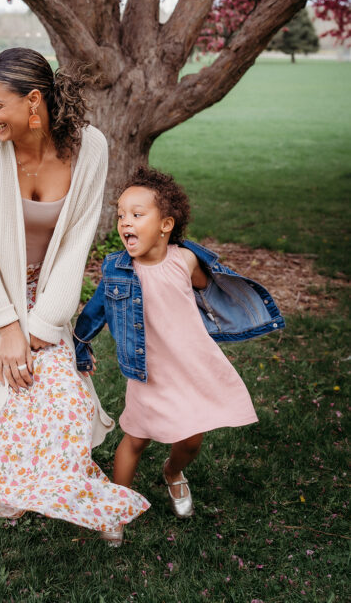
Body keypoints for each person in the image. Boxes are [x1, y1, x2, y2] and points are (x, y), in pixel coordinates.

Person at [0, 48, 150, 544]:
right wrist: (8, 328)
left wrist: (42, 326)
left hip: (49, 295)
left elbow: (78, 242)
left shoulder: (91, 148)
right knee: (4, 399)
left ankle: (81, 494)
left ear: (33, 101)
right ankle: (3, 480)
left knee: (64, 402)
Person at [74, 165, 285, 518]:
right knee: (137, 439)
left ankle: (173, 471)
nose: (125, 222)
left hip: (191, 366)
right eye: (121, 215)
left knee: (190, 439)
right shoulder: (118, 271)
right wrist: (81, 344)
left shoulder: (185, 260)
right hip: (148, 371)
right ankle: (115, 508)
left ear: (165, 225)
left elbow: (209, 291)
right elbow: (93, 314)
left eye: (137, 214)